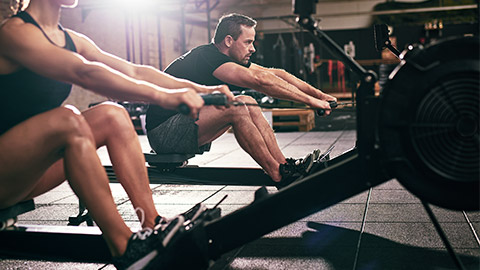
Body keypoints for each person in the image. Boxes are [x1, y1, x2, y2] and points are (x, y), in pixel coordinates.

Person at [0, 0, 233, 269]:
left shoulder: (70, 39)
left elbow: (134, 71)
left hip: (28, 173)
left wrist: (201, 90)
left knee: (113, 115)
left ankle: (151, 224)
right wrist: (165, 97)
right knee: (67, 120)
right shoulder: (14, 33)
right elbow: (83, 72)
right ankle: (125, 248)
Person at [146, 13, 337, 188]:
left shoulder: (221, 57)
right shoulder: (207, 57)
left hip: (183, 123)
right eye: (248, 42)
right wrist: (310, 102)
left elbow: (276, 74)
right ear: (229, 41)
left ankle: (284, 166)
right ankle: (278, 176)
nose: (252, 48)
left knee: (246, 101)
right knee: (236, 107)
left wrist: (319, 95)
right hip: (164, 132)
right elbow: (261, 82)